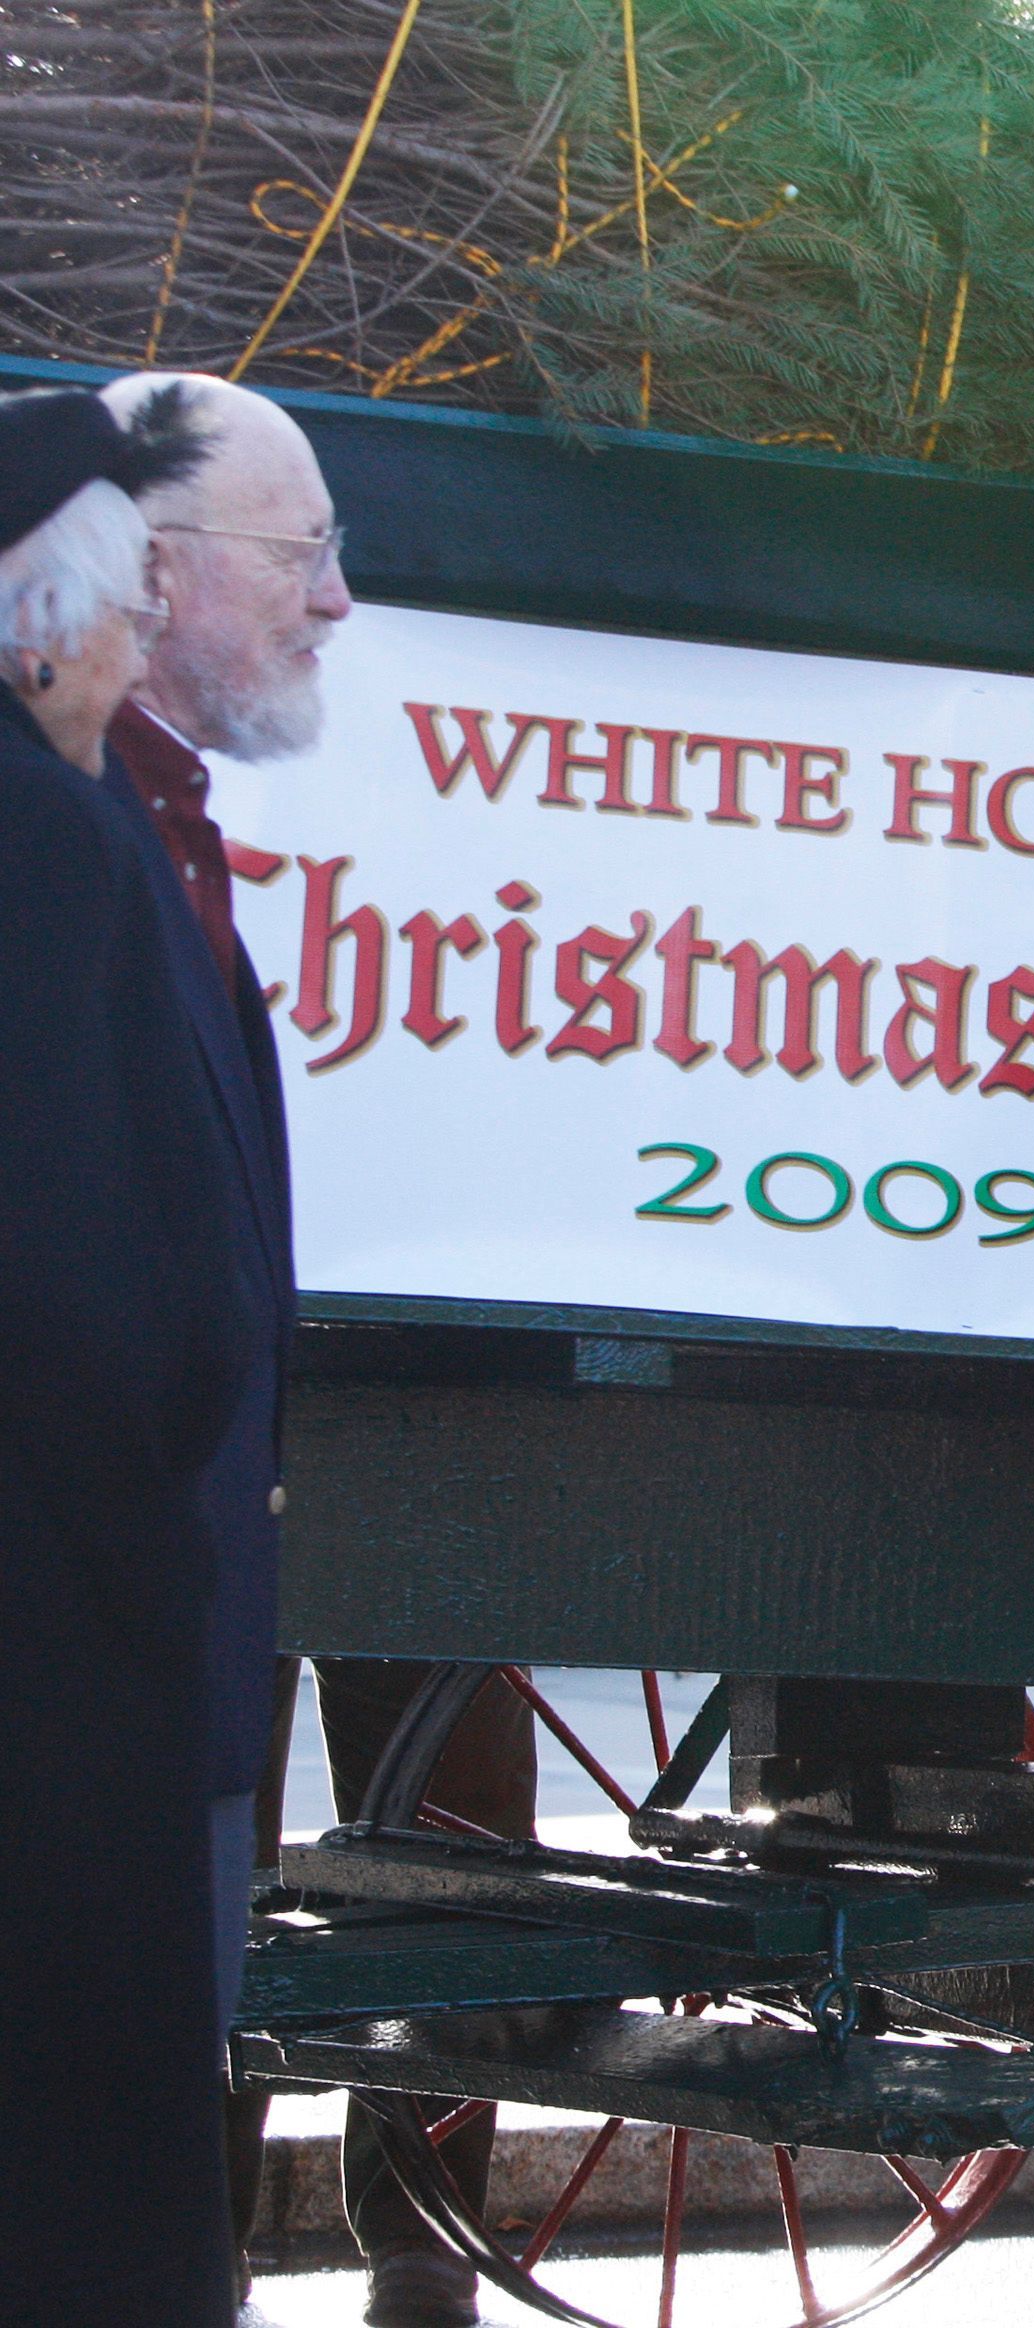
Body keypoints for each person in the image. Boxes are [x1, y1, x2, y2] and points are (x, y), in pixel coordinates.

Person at [101, 369, 538, 2328]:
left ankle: (405, 2230)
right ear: (160, 568)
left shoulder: (178, 808)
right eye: (307, 555)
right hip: (121, 1540)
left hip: (276, 1448)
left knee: (417, 1786)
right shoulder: (79, 827)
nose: (341, 600)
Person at [0, 381, 257, 2325]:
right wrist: (157, 1519)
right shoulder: (54, 855)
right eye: (108, 609)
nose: (123, 647)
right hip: (51, 1587)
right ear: (39, 627)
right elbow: (75, 1250)